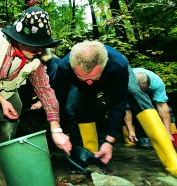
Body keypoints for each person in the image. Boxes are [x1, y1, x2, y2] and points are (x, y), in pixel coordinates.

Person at [53, 40, 177, 177]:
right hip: (83, 85)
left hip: (116, 75)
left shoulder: (118, 64)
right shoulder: (64, 67)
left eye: (93, 78)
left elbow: (118, 104)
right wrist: (58, 130)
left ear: (103, 66)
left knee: (134, 94)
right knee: (81, 106)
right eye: (83, 79)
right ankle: (90, 156)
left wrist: (109, 141)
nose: (89, 83)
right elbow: (57, 99)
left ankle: (172, 160)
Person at [0, 6, 72, 163]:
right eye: (32, 43)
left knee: (16, 107)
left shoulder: (38, 57)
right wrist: (2, 101)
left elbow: (45, 91)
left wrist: (56, 129)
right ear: (18, 39)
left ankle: (4, 156)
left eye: (41, 45)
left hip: (9, 85)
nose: (38, 50)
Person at [123, 68, 176, 147]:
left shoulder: (156, 82)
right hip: (130, 92)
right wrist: (130, 130)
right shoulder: (124, 84)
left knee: (167, 111)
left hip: (151, 92)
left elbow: (162, 108)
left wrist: (167, 132)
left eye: (144, 89)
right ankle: (131, 138)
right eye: (141, 90)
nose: (143, 92)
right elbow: (126, 109)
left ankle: (171, 137)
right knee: (126, 110)